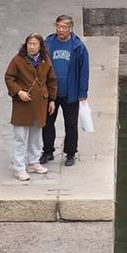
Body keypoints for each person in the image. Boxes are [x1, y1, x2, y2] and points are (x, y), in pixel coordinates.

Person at [5, 34, 58, 183]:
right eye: (29, 43)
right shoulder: (18, 60)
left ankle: (34, 162)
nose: (31, 46)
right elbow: (9, 78)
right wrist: (18, 92)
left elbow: (51, 80)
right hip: (23, 104)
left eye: (34, 44)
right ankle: (19, 167)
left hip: (40, 103)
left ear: (40, 46)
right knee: (20, 137)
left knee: (35, 136)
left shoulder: (45, 60)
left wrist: (52, 99)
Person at [41, 15, 90, 167]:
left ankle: (70, 153)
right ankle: (48, 151)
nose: (61, 30)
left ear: (70, 28)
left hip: (71, 93)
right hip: (51, 93)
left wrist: (82, 93)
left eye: (64, 27)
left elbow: (84, 70)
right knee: (48, 123)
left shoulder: (78, 46)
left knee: (71, 124)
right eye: (58, 26)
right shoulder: (49, 43)